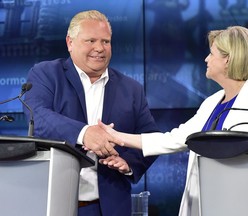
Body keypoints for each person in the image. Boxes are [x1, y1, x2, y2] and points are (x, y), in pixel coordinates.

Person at [97, 26, 248, 215]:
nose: (206, 59)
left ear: (228, 59)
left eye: (212, 54)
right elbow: (174, 139)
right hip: (209, 201)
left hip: (246, 201)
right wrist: (116, 136)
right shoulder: (211, 103)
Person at [23, 10, 159, 216]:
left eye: (106, 41)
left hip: (110, 208)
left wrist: (129, 163)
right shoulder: (45, 74)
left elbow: (150, 137)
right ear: (70, 42)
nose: (99, 48)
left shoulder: (131, 89)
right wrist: (85, 133)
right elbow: (37, 116)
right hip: (54, 203)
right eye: (91, 40)